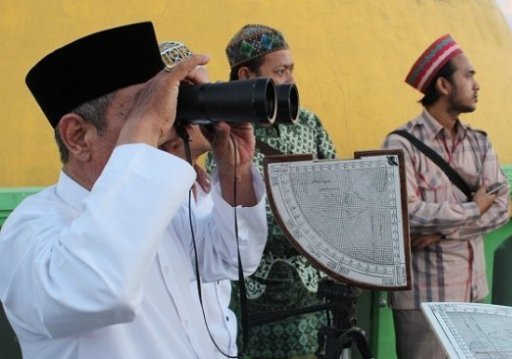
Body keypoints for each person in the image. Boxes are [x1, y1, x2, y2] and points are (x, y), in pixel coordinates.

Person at [0, 22, 268, 359]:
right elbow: (97, 287)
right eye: (147, 110)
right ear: (78, 137)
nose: (166, 123)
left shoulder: (167, 204)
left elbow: (234, 257)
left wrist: (236, 171)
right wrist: (146, 127)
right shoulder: (29, 230)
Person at [209, 24, 337, 358]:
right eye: (280, 72)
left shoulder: (310, 124)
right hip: (252, 295)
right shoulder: (221, 132)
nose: (291, 80)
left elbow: (337, 192)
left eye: (291, 69)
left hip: (311, 291)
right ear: (246, 76)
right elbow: (224, 214)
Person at [382, 34, 510, 359]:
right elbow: (406, 213)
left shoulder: (479, 142)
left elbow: (501, 207)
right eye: (468, 75)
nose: (477, 84)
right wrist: (473, 208)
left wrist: (441, 231)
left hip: (473, 291)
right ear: (443, 85)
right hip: (425, 299)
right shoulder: (402, 144)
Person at [158, 40, 245, 358]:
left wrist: (235, 171)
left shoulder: (205, 186)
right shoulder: (142, 193)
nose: (209, 107)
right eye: (195, 96)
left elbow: (236, 261)